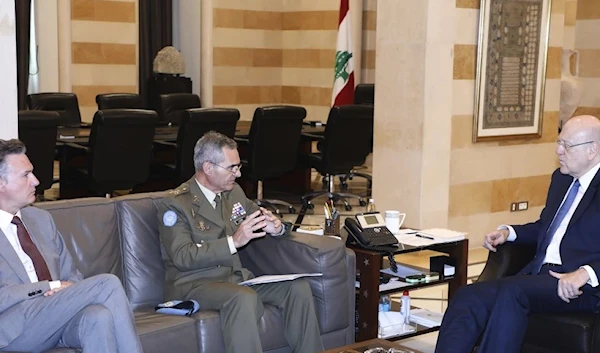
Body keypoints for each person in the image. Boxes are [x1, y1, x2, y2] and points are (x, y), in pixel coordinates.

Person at [435, 115, 600, 353]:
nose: (558, 150)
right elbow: (547, 227)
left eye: (566, 145)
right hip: (539, 276)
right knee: (468, 296)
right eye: (558, 142)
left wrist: (586, 273)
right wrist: (509, 233)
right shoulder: (562, 179)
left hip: (579, 284)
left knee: (514, 292)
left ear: (592, 150)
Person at [156, 131, 324, 353]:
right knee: (242, 297)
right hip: (194, 284)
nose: (238, 173)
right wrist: (233, 242)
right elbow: (182, 256)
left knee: (298, 288)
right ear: (208, 168)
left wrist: (277, 227)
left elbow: (260, 216)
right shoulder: (175, 204)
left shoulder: (233, 193)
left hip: (235, 280)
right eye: (232, 168)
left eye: (238, 166)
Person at [0, 139, 143, 353]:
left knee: (99, 316)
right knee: (107, 284)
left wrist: (61, 290)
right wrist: (49, 287)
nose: (36, 181)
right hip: (15, 328)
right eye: (25, 175)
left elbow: (72, 276)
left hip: (57, 316)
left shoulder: (41, 220)